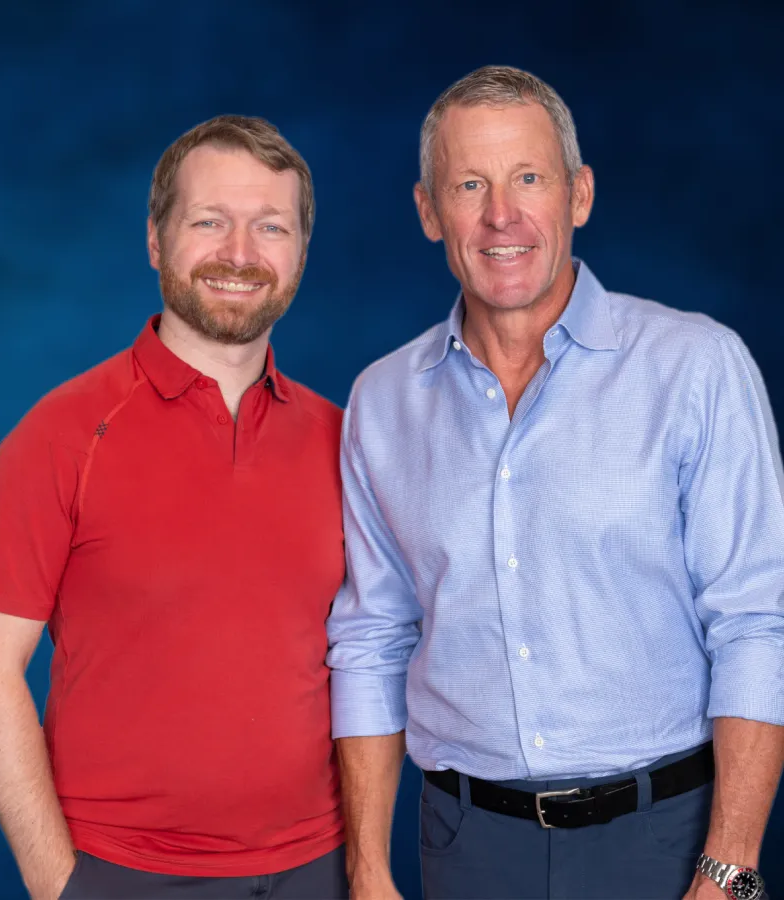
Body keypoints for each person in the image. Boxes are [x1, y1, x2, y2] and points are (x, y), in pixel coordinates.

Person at [326, 65, 784, 900]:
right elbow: (370, 640)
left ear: (579, 195)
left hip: (667, 842)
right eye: (469, 184)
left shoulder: (695, 367)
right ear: (430, 212)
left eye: (528, 177)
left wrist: (730, 871)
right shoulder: (382, 402)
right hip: (464, 846)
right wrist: (366, 869)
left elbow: (756, 625)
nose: (502, 214)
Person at [0, 115, 348, 900]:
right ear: (156, 241)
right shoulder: (62, 435)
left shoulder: (348, 441)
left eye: (270, 226)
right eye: (210, 222)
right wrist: (58, 883)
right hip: (121, 875)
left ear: (300, 251)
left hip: (316, 870)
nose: (240, 254)